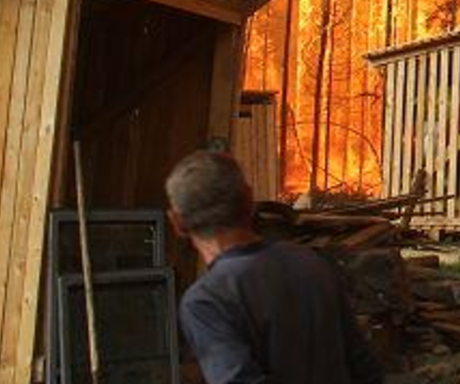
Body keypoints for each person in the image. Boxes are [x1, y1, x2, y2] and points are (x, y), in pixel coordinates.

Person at [165, 150, 384, 384]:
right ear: (250, 201)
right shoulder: (310, 263)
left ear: (177, 223)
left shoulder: (205, 301)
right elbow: (364, 365)